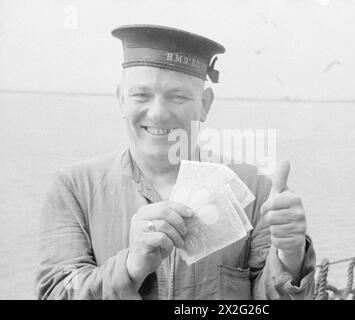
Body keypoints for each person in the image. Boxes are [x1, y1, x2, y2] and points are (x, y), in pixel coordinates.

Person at [35, 24, 316, 300]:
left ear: (205, 104)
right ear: (121, 99)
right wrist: (130, 268)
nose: (157, 114)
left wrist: (289, 254)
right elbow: (55, 292)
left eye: (177, 96)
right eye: (140, 95)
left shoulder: (256, 191)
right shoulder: (73, 188)